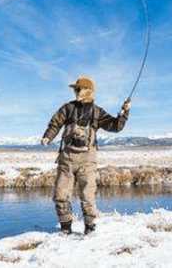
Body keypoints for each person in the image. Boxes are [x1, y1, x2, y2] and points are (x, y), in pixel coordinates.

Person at [41, 76, 131, 235]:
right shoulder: (68, 108)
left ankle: (90, 229)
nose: (76, 91)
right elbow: (55, 123)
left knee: (87, 196)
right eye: (75, 89)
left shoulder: (97, 112)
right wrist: (48, 136)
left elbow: (115, 126)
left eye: (79, 88)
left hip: (87, 160)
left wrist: (124, 112)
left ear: (88, 91)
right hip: (66, 159)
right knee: (60, 195)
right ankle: (65, 229)